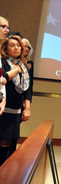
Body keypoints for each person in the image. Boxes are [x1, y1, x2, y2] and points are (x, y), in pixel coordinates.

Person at [0, 35, 32, 166]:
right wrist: (15, 71)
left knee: (10, 144)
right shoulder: (3, 62)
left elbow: (28, 90)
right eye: (12, 45)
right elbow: (2, 80)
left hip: (16, 110)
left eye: (18, 45)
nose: (16, 48)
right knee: (2, 143)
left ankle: (6, 172)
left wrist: (27, 108)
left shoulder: (23, 66)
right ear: (6, 49)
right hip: (3, 108)